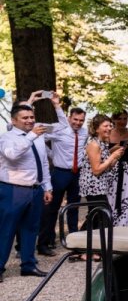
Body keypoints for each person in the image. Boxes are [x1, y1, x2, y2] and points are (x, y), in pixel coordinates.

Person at [0, 104, 53, 281]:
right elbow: (12, 155)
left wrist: (47, 187)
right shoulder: (7, 138)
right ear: (14, 121)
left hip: (35, 189)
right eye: (25, 118)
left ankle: (28, 265)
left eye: (31, 117)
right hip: (13, 190)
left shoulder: (38, 137)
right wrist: (31, 136)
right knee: (6, 230)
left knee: (31, 229)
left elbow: (44, 163)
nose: (30, 120)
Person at [37, 92, 87, 254]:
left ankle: (73, 239)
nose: (78, 123)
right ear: (69, 118)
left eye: (81, 120)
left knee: (74, 207)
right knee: (52, 207)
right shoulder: (59, 131)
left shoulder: (85, 132)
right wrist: (51, 154)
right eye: (75, 119)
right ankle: (46, 241)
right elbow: (38, 138)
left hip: (76, 174)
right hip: (59, 173)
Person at [78, 115, 125, 234]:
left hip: (100, 185)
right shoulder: (94, 144)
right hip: (93, 186)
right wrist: (112, 157)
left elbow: (106, 164)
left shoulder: (102, 142)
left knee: (96, 215)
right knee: (102, 215)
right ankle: (84, 244)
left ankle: (85, 245)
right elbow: (96, 170)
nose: (109, 128)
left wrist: (116, 156)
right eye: (105, 126)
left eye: (110, 125)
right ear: (96, 128)